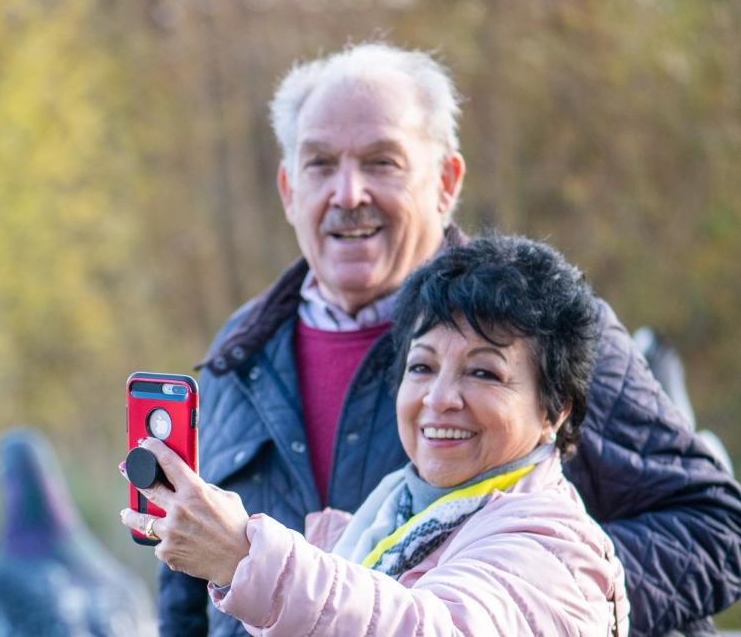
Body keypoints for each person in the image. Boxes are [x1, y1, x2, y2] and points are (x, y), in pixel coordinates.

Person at [146, 43, 741, 636]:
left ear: (446, 182)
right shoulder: (237, 354)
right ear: (288, 190)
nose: (348, 193)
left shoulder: (544, 327)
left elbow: (714, 529)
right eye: (320, 164)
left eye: (383, 162)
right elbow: (185, 578)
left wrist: (529, 598)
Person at [122, 234, 629, 634]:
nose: (439, 398)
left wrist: (247, 559)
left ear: (554, 410)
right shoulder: (396, 514)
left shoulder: (554, 545)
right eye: (423, 367)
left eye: (484, 373)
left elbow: (430, 627)